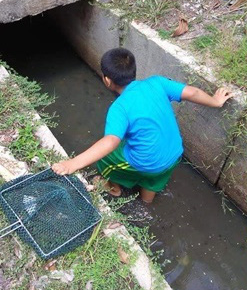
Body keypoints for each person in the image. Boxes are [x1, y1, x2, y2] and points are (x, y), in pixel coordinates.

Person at [51, 47, 233, 203]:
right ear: (133, 70)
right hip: (175, 153)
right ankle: (147, 201)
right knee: (155, 177)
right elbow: (192, 92)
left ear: (107, 80)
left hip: (149, 162)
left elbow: (110, 142)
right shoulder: (157, 82)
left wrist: (72, 164)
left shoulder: (119, 108)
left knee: (106, 158)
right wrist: (215, 101)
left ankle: (114, 188)